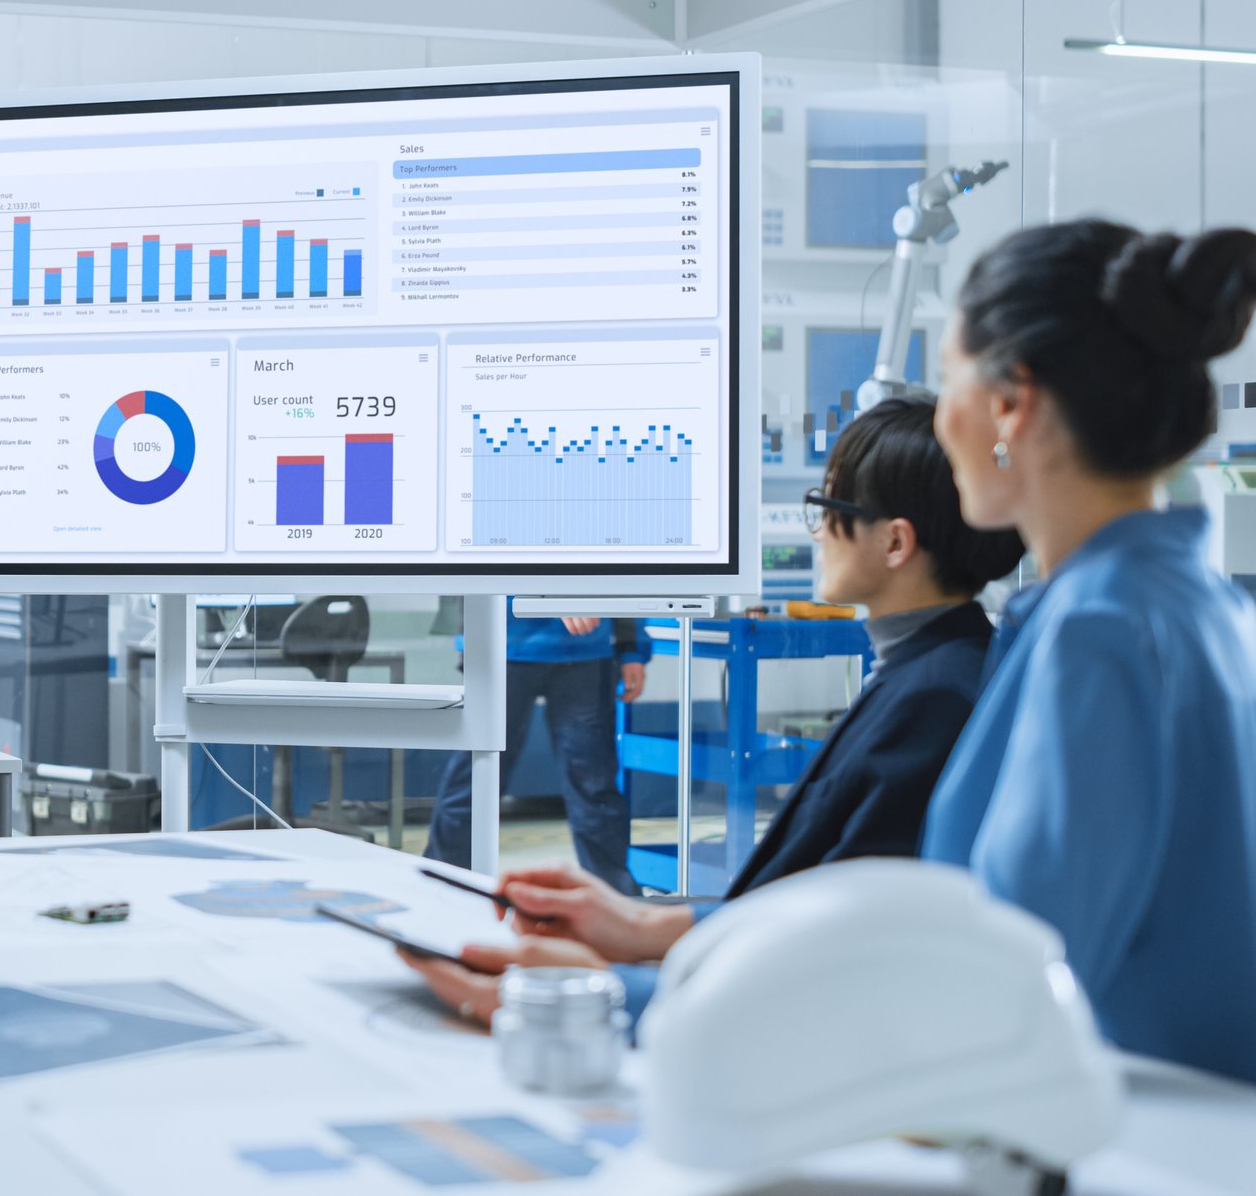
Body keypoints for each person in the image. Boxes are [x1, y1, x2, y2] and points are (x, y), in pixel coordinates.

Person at [404, 398, 1025, 1027]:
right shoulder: (927, 671)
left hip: (772, 1026)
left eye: (828, 510)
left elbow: (835, 954)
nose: (816, 532)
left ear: (895, 542)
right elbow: (807, 904)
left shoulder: (934, 701)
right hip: (518, 653)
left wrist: (603, 993)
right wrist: (641, 924)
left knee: (592, 786)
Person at [925, 221, 1256, 1083]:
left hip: (1138, 1138)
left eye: (946, 378)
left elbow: (1004, 989)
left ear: (1009, 403)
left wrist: (629, 996)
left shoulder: (1097, 633)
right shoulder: (1198, 605)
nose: (938, 416)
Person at [426, 610, 648, 894]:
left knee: (594, 785)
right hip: (500, 644)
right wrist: (559, 595)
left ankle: (613, 900)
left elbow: (625, 574)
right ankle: (441, 889)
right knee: (475, 777)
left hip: (586, 653)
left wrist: (632, 650)